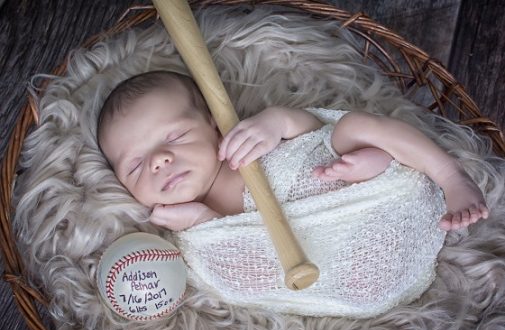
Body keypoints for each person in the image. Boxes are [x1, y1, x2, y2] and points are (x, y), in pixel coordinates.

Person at [97, 70, 488, 233]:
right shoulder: (184, 223)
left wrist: (278, 123)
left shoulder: (238, 140)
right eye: (135, 165)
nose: (159, 160)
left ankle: (449, 175)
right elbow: (246, 259)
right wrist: (204, 220)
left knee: (352, 126)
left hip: (325, 166)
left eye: (176, 136)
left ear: (213, 123)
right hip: (338, 231)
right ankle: (374, 165)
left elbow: (318, 130)